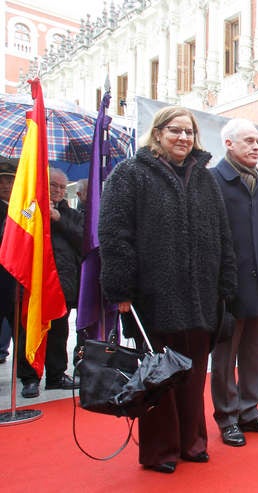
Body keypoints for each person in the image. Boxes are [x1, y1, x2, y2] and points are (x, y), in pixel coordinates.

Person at [99, 106, 237, 473]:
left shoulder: (205, 179)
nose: (183, 138)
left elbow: (223, 236)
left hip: (202, 297)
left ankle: (192, 442)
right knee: (158, 378)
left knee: (192, 376)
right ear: (157, 133)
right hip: (153, 298)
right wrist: (121, 290)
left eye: (189, 132)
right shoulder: (130, 174)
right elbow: (115, 236)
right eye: (175, 131)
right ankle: (161, 450)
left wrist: (227, 286)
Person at [210, 118, 258, 448]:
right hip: (227, 283)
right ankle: (227, 417)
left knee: (255, 352)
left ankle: (249, 409)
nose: (256, 146)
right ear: (229, 144)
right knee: (226, 356)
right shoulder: (212, 181)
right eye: (249, 141)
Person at [15, 168, 83, 397]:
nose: (58, 190)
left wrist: (58, 219)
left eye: (63, 187)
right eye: (53, 185)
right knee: (30, 331)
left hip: (62, 283)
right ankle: (30, 378)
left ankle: (56, 375)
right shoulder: (28, 208)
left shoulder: (71, 214)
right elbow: (15, 233)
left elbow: (84, 241)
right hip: (33, 282)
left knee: (59, 331)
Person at [0, 158, 17, 365]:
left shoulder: (23, 209)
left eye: (9, 181)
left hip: (16, 277)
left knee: (20, 330)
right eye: (2, 181)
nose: (5, 186)